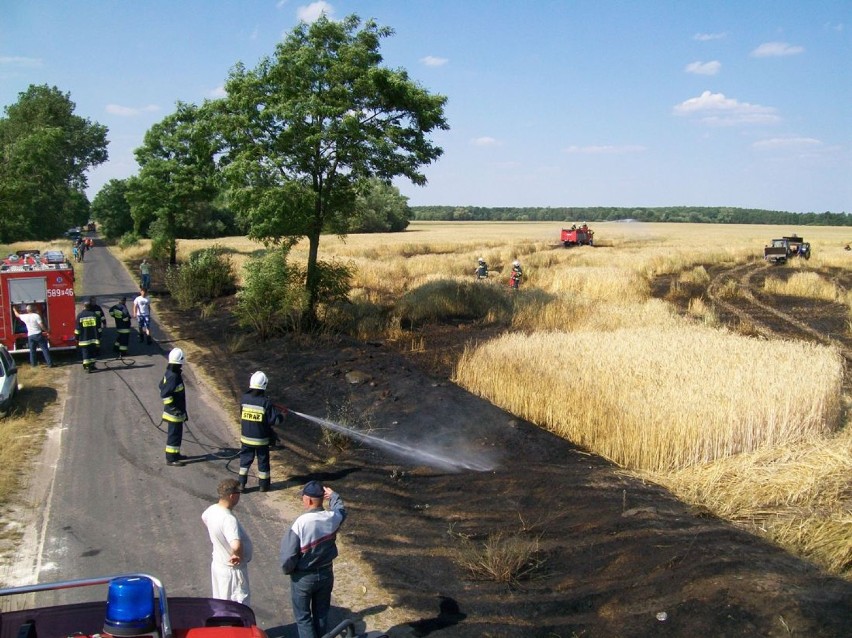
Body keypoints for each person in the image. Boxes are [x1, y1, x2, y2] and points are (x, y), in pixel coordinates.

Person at [280, 481, 347, 638]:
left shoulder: (300, 524)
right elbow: (341, 511)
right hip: (326, 573)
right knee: (321, 614)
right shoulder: (332, 518)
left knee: (303, 618)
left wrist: (289, 570)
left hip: (303, 577)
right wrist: (334, 496)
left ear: (308, 500)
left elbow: (288, 556)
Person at [202, 478, 252, 605]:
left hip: (218, 566)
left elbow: (204, 518)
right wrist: (237, 555)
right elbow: (236, 544)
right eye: (238, 494)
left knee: (221, 603)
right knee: (238, 606)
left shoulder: (212, 509)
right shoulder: (228, 519)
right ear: (232, 496)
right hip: (233, 572)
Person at [238, 371, 285, 493]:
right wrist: (282, 415)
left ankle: (241, 484)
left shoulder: (244, 398)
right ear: (264, 385)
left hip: (246, 439)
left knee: (244, 461)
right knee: (263, 462)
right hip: (261, 440)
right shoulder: (266, 402)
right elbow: (274, 421)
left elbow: (241, 414)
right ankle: (264, 486)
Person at [160, 347, 188, 466]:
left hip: (177, 411)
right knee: (174, 435)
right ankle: (171, 459)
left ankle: (175, 453)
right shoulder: (173, 376)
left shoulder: (171, 372)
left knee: (177, 434)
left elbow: (160, 384)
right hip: (174, 412)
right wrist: (173, 408)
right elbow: (164, 393)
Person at [74, 299, 102, 372]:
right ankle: (92, 365)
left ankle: (87, 367)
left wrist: (76, 337)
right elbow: (99, 328)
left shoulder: (80, 316)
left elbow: (77, 329)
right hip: (94, 338)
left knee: (85, 352)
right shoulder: (95, 315)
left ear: (84, 306)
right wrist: (99, 337)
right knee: (92, 352)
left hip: (84, 339)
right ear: (90, 307)